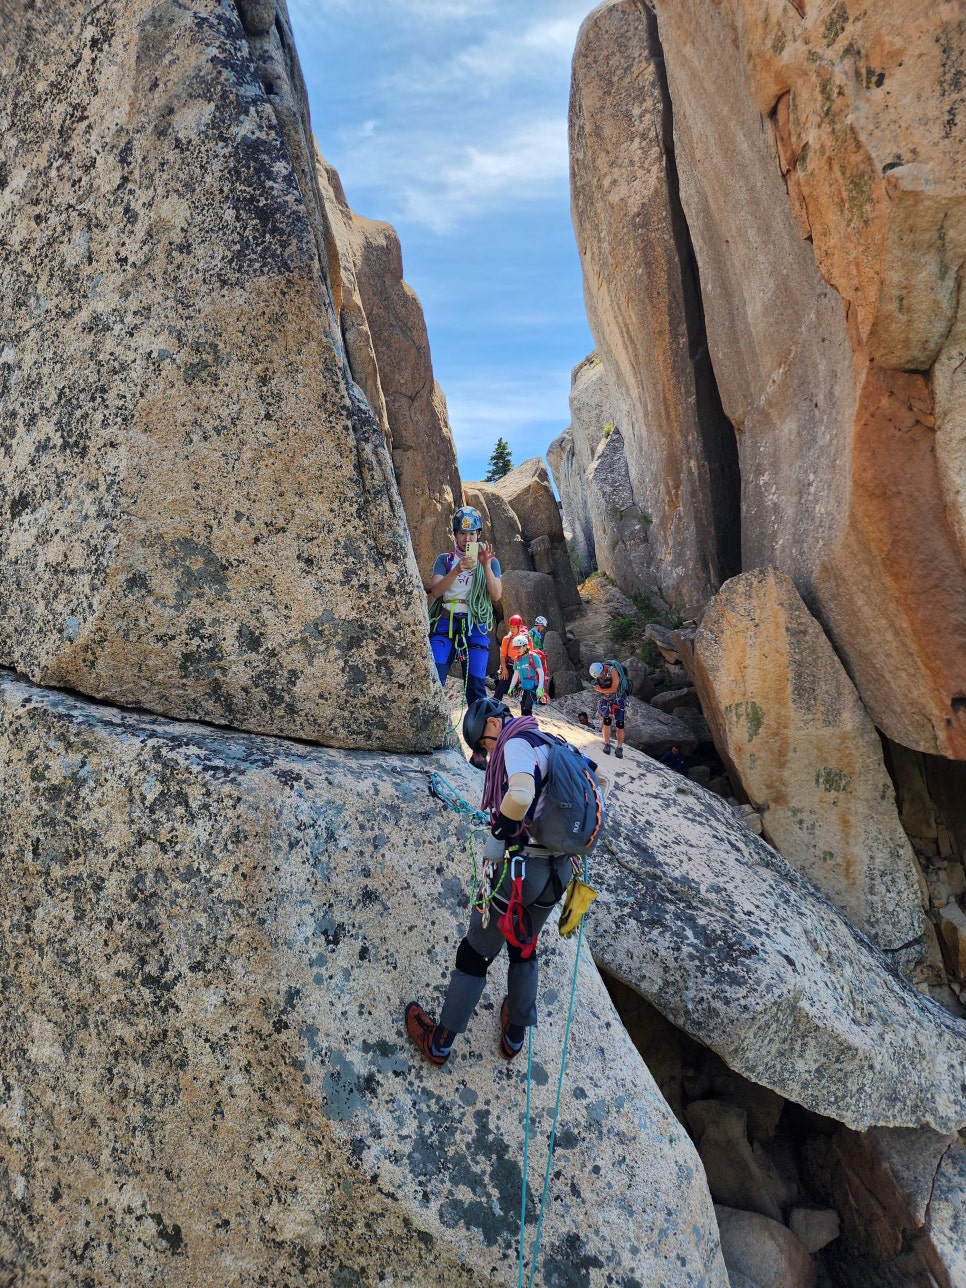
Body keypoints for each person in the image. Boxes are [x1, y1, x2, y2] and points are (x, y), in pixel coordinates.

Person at [405, 697, 576, 1065]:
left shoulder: (514, 743)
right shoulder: (549, 742)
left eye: (485, 744)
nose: (489, 752)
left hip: (519, 871)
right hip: (557, 873)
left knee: (475, 952)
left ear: (494, 725)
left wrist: (500, 831)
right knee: (524, 947)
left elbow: (520, 794)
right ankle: (514, 1035)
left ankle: (440, 1041)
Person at [428, 507, 502, 706]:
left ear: (478, 535)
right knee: (434, 681)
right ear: (455, 535)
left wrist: (485, 565)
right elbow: (436, 591)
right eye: (462, 533)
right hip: (446, 622)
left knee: (476, 689)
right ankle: (437, 734)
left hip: (476, 624)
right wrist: (456, 570)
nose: (467, 539)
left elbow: (496, 595)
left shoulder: (491, 561)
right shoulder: (445, 560)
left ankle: (478, 734)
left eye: (471, 534)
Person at [590, 660, 626, 759]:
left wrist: (600, 690)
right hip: (606, 698)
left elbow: (614, 688)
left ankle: (619, 747)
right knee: (606, 721)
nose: (600, 678)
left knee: (620, 723)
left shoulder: (612, 671)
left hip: (618, 699)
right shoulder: (600, 674)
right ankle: (607, 744)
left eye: (600, 675)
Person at [507, 634, 545, 716]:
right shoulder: (517, 659)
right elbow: (515, 675)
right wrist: (511, 687)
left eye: (519, 647)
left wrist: (540, 688)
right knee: (522, 708)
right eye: (515, 648)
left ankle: (529, 726)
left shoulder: (533, 657)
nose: (517, 650)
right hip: (524, 688)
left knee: (526, 708)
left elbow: (541, 673)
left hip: (533, 688)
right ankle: (528, 725)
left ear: (525, 646)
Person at [494, 613, 527, 701]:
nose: (512, 629)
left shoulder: (526, 639)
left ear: (519, 627)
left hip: (522, 666)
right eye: (511, 627)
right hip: (510, 665)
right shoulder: (506, 639)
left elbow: (529, 654)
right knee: (501, 685)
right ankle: (495, 703)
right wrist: (504, 669)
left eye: (514, 627)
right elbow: (502, 655)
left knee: (525, 690)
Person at [528, 615, 550, 703]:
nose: (543, 629)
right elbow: (531, 646)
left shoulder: (538, 634)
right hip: (533, 658)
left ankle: (539, 696)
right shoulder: (531, 633)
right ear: (539, 625)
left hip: (539, 657)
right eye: (543, 627)